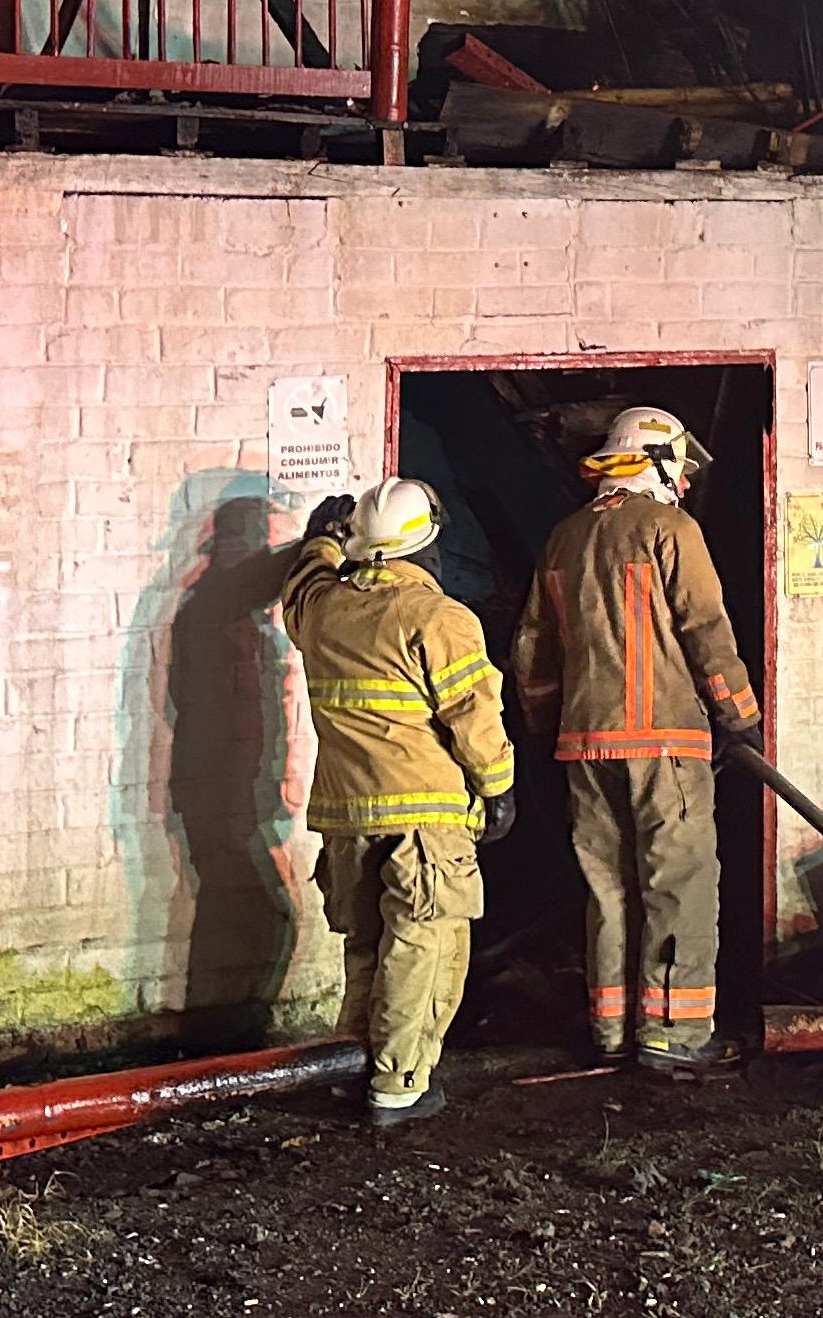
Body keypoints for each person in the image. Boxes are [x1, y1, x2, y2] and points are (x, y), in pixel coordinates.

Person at [516, 404, 760, 1072]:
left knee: (608, 887)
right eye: (677, 468)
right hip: (665, 745)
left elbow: (533, 652)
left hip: (582, 746)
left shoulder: (564, 538)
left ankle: (612, 1028)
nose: (683, 481)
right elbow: (706, 631)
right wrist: (741, 717)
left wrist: (546, 729)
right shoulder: (670, 528)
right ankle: (674, 1034)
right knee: (676, 882)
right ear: (657, 464)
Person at [286, 476, 515, 1128]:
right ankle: (400, 1083)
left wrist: (321, 543)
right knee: (424, 945)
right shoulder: (439, 618)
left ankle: (351, 1070)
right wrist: (500, 790)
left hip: (348, 815)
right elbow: (476, 720)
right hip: (428, 820)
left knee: (366, 944)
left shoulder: (325, 608)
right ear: (427, 545)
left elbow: (298, 591)